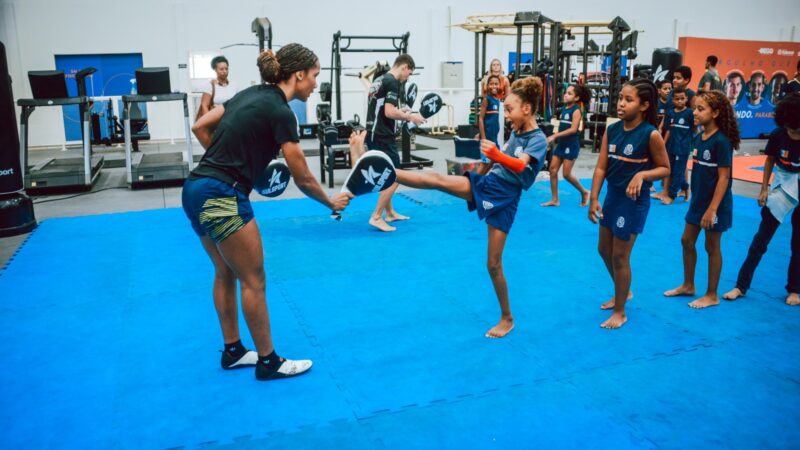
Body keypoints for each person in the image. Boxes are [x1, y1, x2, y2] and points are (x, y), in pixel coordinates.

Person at [183, 44, 353, 381]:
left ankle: (233, 351)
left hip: (195, 189)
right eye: (315, 77)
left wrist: (230, 159)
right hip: (222, 194)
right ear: (299, 74)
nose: (316, 85)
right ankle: (268, 361)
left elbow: (201, 126)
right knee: (253, 279)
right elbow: (303, 176)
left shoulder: (248, 94)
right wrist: (331, 202)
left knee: (225, 271)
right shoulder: (281, 112)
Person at [353, 77, 548, 338]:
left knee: (493, 264)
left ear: (527, 108)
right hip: (489, 184)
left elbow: (521, 165)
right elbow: (497, 163)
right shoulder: (516, 132)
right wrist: (479, 171)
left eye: (510, 110)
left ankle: (507, 317)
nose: (507, 116)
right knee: (436, 179)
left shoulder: (538, 139)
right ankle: (380, 169)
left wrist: (496, 156)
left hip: (506, 199)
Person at [588, 79, 670, 329]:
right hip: (612, 196)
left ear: (644, 105)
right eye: (620, 98)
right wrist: (593, 198)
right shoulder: (612, 130)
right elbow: (601, 166)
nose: (621, 104)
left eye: (628, 99)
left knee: (620, 256)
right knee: (604, 249)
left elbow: (665, 169)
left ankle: (621, 310)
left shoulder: (650, 134)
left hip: (633, 202)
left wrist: (642, 175)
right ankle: (623, 290)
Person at [664, 90, 740, 309]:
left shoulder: (722, 142)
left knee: (711, 245)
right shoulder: (698, 137)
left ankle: (712, 294)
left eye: (700, 109)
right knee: (686, 240)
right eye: (695, 108)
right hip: (698, 202)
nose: (694, 113)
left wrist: (712, 209)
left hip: (716, 205)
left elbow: (724, 178)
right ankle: (688, 285)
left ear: (715, 113)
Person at [723, 93, 800, 306]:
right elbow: (769, 161)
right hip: (781, 184)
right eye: (790, 129)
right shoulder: (778, 134)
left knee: (798, 244)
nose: (793, 133)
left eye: (797, 129)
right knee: (760, 241)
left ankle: (794, 289)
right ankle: (741, 285)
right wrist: (764, 189)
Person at [365, 54, 425, 232]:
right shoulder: (392, 82)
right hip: (382, 135)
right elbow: (389, 112)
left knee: (387, 174)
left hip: (374, 132)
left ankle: (389, 212)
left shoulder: (379, 79)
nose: (408, 77)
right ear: (404, 67)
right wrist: (410, 116)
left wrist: (402, 111)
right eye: (409, 73)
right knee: (395, 175)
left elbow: (383, 108)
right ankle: (376, 216)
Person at [541, 84, 590, 207]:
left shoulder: (577, 110)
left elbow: (573, 129)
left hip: (571, 145)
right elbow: (563, 127)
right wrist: (553, 138)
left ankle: (584, 192)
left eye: (569, 93)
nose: (565, 95)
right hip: (561, 144)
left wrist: (555, 136)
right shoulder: (564, 108)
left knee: (566, 174)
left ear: (577, 97)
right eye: (565, 92)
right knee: (552, 170)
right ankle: (555, 199)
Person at [654, 86, 693, 204]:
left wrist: (697, 145)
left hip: (683, 149)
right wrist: (663, 145)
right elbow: (668, 131)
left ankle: (671, 196)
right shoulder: (670, 113)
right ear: (673, 100)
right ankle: (686, 187)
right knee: (669, 171)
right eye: (677, 99)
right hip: (670, 147)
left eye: (682, 98)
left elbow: (695, 129)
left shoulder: (690, 113)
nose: (680, 101)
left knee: (678, 172)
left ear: (686, 99)